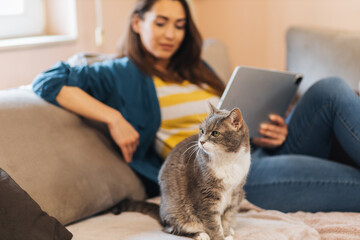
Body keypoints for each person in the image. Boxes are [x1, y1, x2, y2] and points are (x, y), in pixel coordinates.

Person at [32, 0, 360, 212]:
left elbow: (229, 125)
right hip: (224, 175)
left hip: (258, 150)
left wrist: (271, 132)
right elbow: (48, 80)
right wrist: (113, 117)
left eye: (179, 25)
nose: (170, 34)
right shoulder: (120, 73)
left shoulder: (196, 70)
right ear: (136, 23)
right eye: (160, 22)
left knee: (329, 88)